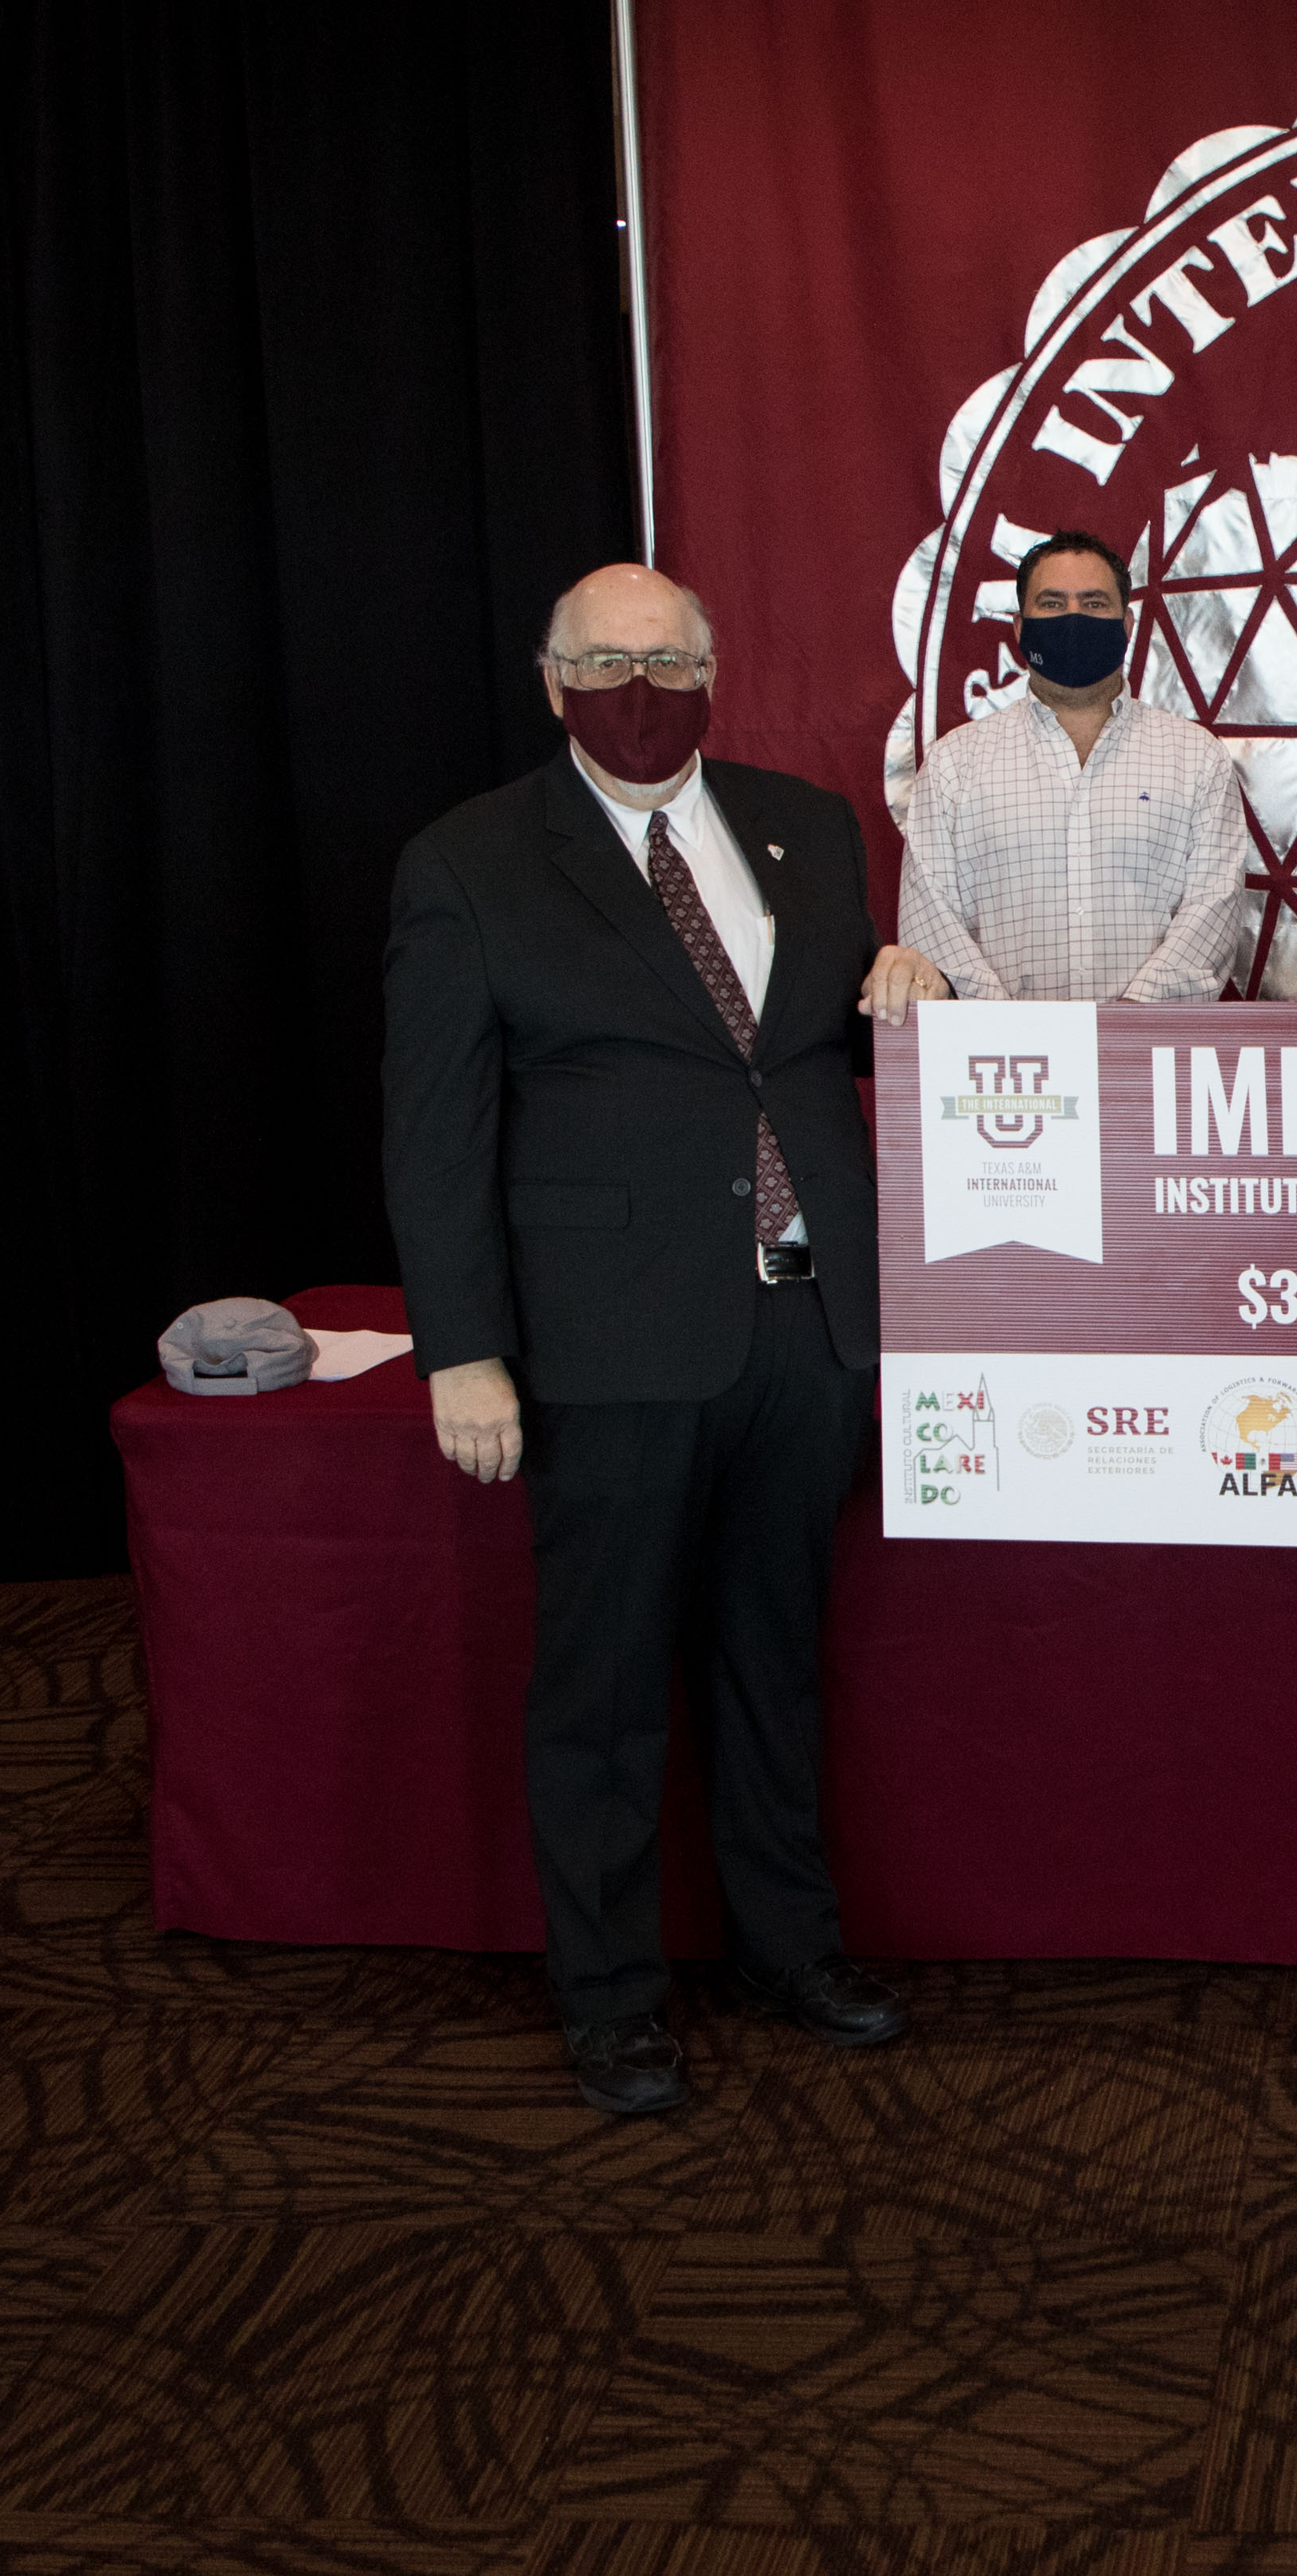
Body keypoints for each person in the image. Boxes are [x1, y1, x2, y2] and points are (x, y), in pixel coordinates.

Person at [381, 563, 918, 2115]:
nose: (642, 686)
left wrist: (907, 984)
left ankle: (789, 1944)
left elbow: (814, 1052)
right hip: (606, 1346)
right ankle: (611, 1995)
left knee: (775, 1664)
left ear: (713, 670)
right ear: (552, 683)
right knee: (604, 1682)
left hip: (806, 1327)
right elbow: (433, 1136)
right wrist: (459, 1347)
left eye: (669, 658)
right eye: (607, 661)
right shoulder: (471, 863)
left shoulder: (806, 828)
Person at [865, 529, 1250, 1020]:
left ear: (1127, 623)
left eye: (1094, 603)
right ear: (1021, 626)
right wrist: (1017, 1037)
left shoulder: (1197, 759)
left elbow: (1211, 919)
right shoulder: (952, 765)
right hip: (1001, 1072)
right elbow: (933, 932)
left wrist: (1126, 1030)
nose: (1073, 618)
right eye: (1052, 604)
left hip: (1149, 1064)